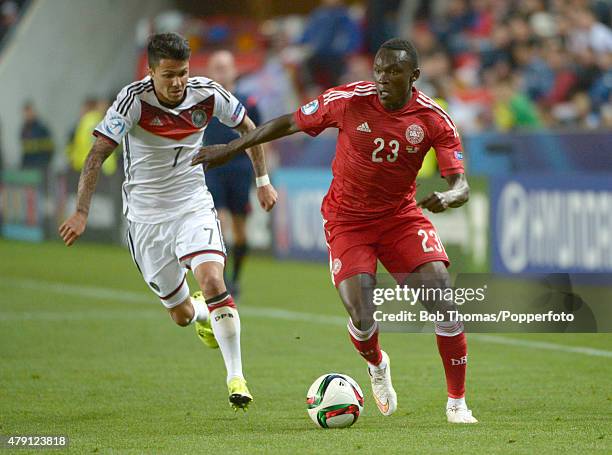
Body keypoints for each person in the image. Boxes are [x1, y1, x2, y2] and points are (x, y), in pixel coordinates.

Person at [193, 38, 478, 423]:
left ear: (414, 76)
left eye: (393, 72)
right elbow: (288, 122)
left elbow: (460, 183)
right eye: (378, 70)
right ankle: (377, 365)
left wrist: (449, 196)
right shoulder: (349, 99)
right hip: (348, 221)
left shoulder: (433, 119)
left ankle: (457, 403)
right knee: (361, 312)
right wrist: (232, 147)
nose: (382, 78)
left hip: (400, 218)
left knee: (442, 298)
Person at [59, 32, 277, 410]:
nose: (177, 83)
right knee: (181, 316)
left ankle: (236, 378)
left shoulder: (208, 94)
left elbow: (250, 130)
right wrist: (81, 211)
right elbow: (96, 156)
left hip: (192, 203)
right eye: (169, 75)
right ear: (152, 72)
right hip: (145, 218)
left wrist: (263, 181)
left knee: (212, 278)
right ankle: (203, 311)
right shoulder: (132, 101)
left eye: (183, 73)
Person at [204, 50, 262, 298]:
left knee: (239, 231)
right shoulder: (203, 103)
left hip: (240, 169)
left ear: (234, 70)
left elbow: (261, 138)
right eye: (216, 67)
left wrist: (262, 176)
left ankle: (235, 278)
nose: (220, 72)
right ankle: (222, 281)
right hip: (213, 169)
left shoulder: (248, 103)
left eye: (224, 67)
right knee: (219, 222)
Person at [20, 101, 54, 170]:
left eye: (29, 112)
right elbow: (24, 151)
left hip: (41, 166)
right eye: (25, 113)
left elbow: (50, 147)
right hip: (28, 166)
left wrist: (45, 164)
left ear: (34, 112)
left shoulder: (42, 129)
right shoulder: (24, 130)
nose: (27, 115)